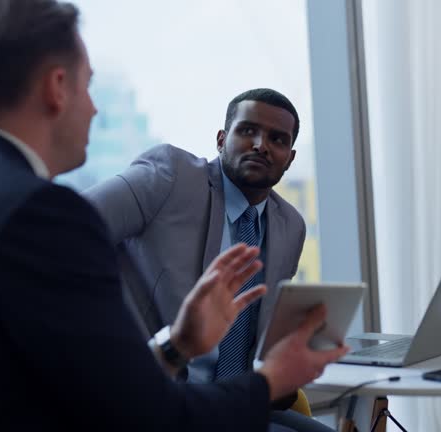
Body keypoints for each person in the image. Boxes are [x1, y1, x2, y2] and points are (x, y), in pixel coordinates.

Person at [0, 1, 347, 430]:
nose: (94, 108)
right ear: (56, 87)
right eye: (89, 86)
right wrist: (275, 378)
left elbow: (96, 391)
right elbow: (149, 415)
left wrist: (177, 344)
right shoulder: (41, 216)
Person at [84, 89, 328, 431]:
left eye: (277, 139)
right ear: (221, 139)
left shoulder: (291, 226)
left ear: (289, 157)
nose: (261, 144)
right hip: (160, 394)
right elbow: (73, 226)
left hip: (237, 402)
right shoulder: (170, 176)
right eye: (248, 131)